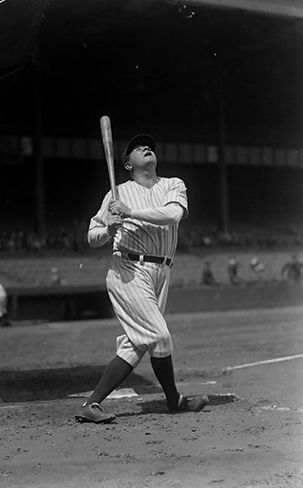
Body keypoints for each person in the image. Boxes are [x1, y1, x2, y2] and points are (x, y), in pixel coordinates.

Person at [76, 133, 208, 424]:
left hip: (161, 271)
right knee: (159, 336)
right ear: (126, 164)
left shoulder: (174, 184)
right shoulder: (116, 194)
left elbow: (173, 215)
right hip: (129, 270)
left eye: (149, 145)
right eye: (138, 147)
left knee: (137, 344)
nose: (146, 147)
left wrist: (130, 212)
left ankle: (91, 404)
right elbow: (92, 237)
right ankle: (175, 401)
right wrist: (109, 229)